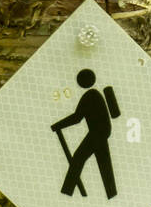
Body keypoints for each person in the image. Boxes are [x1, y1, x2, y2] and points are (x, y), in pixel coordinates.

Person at [51, 69, 119, 199]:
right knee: (104, 164)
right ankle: (112, 194)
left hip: (97, 133)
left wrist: (57, 126)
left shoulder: (90, 96)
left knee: (78, 158)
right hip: (102, 132)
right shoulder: (95, 94)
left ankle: (66, 192)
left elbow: (77, 118)